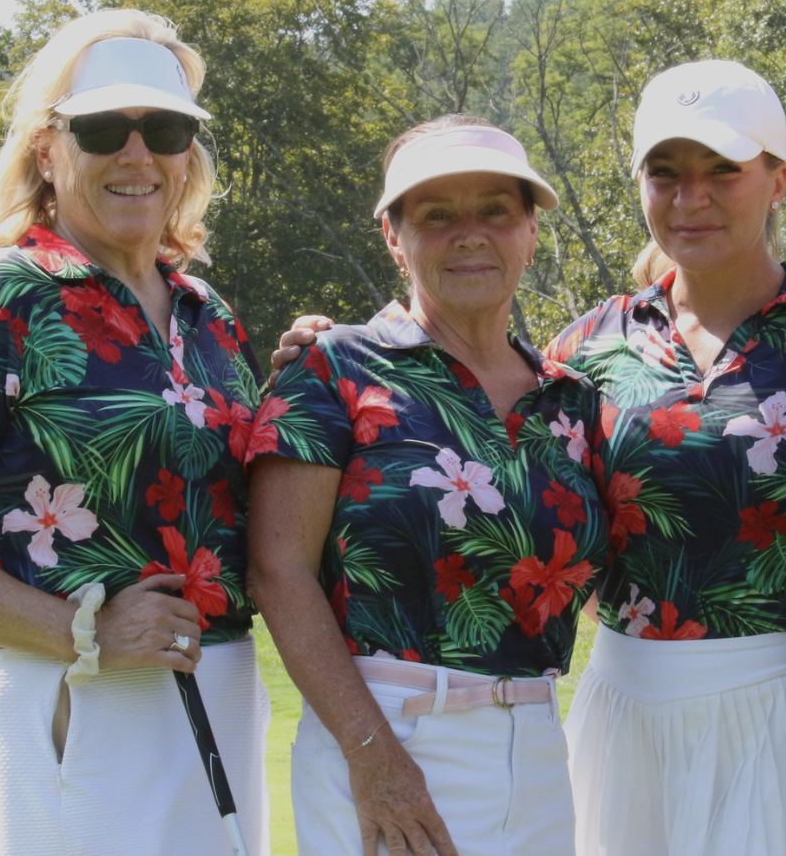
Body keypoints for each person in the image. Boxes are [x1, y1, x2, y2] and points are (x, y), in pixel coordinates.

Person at [270, 62, 786, 856]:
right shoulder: (588, 350)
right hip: (623, 700)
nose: (689, 197)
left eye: (722, 172)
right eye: (664, 174)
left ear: (777, 181)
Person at [0, 10, 270, 856]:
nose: (137, 154)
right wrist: (85, 633)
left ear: (191, 152)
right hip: (73, 689)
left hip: (217, 686)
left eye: (167, 129)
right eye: (105, 127)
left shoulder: (206, 312)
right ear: (47, 147)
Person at [245, 116, 607, 856]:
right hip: (385, 734)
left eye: (495, 213)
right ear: (393, 235)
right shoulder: (334, 367)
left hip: (536, 743)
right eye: (437, 216)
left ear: (530, 232)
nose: (469, 235)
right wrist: (373, 756)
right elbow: (276, 570)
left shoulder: (571, 400)